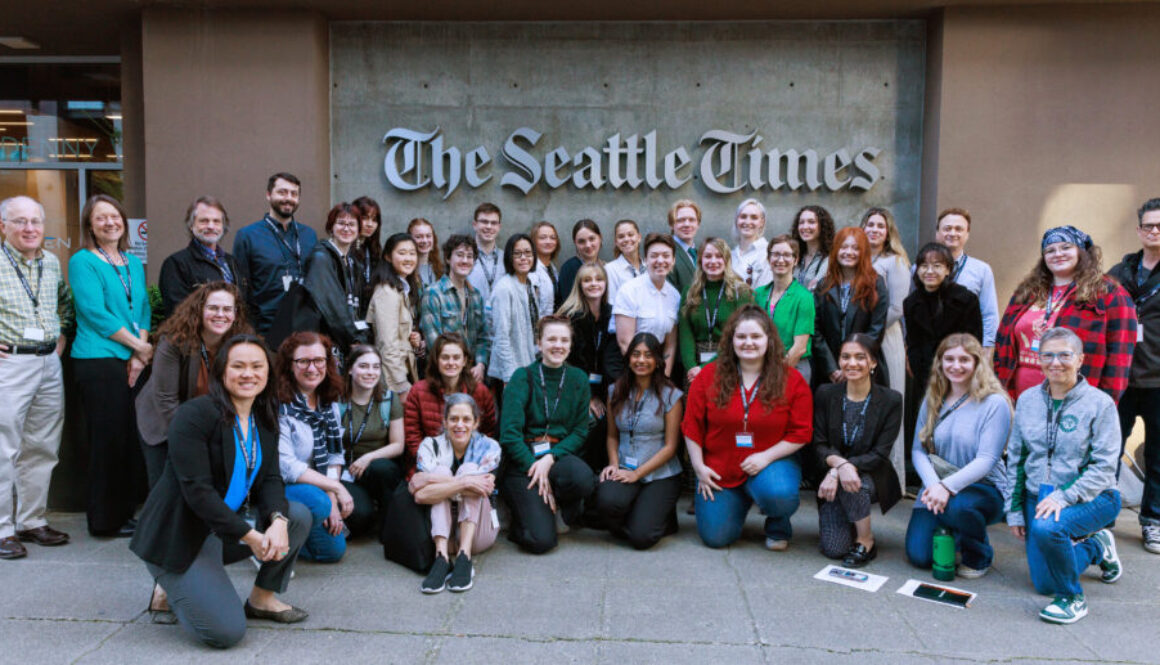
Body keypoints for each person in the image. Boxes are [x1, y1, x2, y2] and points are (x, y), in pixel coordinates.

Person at [130, 334, 310, 647]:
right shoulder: (195, 415)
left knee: (297, 515)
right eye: (238, 366)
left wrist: (278, 521)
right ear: (222, 371)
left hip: (221, 531)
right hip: (180, 535)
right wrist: (253, 537)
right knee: (225, 633)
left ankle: (261, 599)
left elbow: (270, 478)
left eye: (257, 366)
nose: (248, 373)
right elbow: (198, 492)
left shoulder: (264, 417)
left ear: (268, 373)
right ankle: (171, 582)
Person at [1003, 327, 1123, 624]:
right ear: (1039, 360)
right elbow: (1016, 458)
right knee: (1044, 583)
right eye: (1047, 355)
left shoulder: (1100, 404)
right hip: (1037, 495)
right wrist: (1014, 509)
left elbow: (1104, 466)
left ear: (1080, 359)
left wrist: (1063, 496)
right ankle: (1096, 547)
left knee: (1047, 528)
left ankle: (1072, 598)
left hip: (1094, 496)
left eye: (1064, 355)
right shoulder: (1028, 400)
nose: (1055, 362)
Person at [683, 305, 812, 549]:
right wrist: (699, 468)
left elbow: (801, 432)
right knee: (716, 538)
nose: (748, 343)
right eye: (741, 337)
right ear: (731, 340)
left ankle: (778, 522)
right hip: (720, 467)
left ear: (769, 340)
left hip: (771, 464)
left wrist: (766, 457)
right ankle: (736, 502)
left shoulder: (791, 380)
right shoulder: (708, 376)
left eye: (756, 336)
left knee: (779, 494)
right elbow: (691, 426)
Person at [70, 194, 150, 537]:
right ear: (90, 224)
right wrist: (139, 347)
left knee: (129, 440)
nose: (109, 222)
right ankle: (103, 521)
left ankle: (125, 513)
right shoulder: (82, 261)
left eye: (114, 216)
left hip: (130, 360)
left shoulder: (132, 263)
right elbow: (94, 312)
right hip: (98, 361)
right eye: (100, 218)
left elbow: (142, 307)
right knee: (106, 441)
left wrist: (138, 354)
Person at [0, 195, 74, 559]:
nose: (29, 228)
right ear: (3, 227)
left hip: (48, 364)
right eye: (19, 221)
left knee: (42, 446)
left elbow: (63, 302)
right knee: (4, 448)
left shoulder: (51, 262)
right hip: (9, 364)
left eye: (35, 222)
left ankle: (31, 521)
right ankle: (2, 530)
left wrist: (60, 335)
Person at [905, 333, 1010, 578]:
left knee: (959, 507)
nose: (956, 366)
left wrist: (947, 487)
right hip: (937, 485)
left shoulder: (995, 403)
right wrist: (933, 486)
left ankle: (979, 554)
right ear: (940, 363)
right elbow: (917, 450)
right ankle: (955, 528)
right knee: (920, 556)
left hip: (983, 489)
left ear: (976, 363)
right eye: (949, 359)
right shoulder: (934, 398)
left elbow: (987, 460)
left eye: (964, 360)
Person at [995, 225, 1136, 401]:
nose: (1058, 254)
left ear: (1081, 252)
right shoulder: (1027, 292)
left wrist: (1103, 403)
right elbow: (1002, 343)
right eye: (1050, 250)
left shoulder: (1110, 294)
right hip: (1019, 399)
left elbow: (1119, 359)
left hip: (1075, 401)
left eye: (1066, 247)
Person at [136, 282, 250, 487]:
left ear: (236, 313)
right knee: (166, 493)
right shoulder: (174, 342)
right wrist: (193, 441)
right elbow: (165, 400)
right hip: (163, 424)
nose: (220, 315)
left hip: (208, 427)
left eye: (227, 309)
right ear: (200, 309)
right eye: (213, 308)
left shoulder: (239, 344)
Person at [499, 316, 593, 553]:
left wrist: (550, 459)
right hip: (523, 462)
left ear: (570, 345)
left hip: (556, 457)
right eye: (551, 339)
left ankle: (555, 505)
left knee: (583, 478)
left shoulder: (579, 379)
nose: (558, 346)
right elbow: (510, 434)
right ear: (539, 343)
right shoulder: (522, 377)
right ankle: (520, 515)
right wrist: (535, 467)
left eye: (564, 340)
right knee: (542, 541)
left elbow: (580, 431)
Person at [810, 334, 902, 566]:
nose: (852, 363)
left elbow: (880, 454)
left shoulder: (891, 400)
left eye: (860, 357)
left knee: (853, 486)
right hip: (833, 472)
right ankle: (851, 518)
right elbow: (818, 443)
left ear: (872, 363)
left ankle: (865, 539)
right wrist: (838, 466)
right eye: (846, 357)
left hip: (871, 475)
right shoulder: (825, 393)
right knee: (834, 548)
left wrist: (841, 470)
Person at [275, 332, 361, 563]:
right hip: (281, 487)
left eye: (319, 360)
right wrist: (334, 490)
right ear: (289, 365)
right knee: (319, 503)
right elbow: (287, 467)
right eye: (303, 361)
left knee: (334, 550)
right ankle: (270, 538)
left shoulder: (328, 401)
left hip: (318, 488)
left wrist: (333, 497)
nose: (312, 368)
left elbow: (334, 454)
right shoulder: (280, 407)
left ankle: (292, 534)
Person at [594, 333, 683, 549]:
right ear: (628, 358)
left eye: (648, 355)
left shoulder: (671, 395)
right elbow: (613, 436)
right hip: (625, 466)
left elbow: (671, 447)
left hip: (660, 473)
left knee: (641, 538)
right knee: (606, 502)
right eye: (636, 354)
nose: (641, 360)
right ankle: (644, 514)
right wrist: (614, 465)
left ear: (658, 360)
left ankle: (655, 517)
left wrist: (637, 474)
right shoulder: (615, 391)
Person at [1107, 197, 1160, 553]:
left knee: (1158, 455)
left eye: (1159, 226)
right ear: (1139, 229)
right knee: (1108, 450)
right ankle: (1102, 516)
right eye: (1148, 225)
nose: (1153, 231)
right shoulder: (1120, 272)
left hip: (1158, 380)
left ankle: (1153, 521)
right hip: (1121, 378)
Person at [411, 394, 502, 593]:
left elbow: (484, 488)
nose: (459, 425)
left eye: (466, 419)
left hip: (478, 531)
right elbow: (420, 496)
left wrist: (440, 483)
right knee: (444, 471)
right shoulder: (430, 445)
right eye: (453, 419)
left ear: (476, 422)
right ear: (444, 421)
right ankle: (441, 558)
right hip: (440, 531)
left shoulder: (489, 446)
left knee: (468, 468)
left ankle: (465, 557)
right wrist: (465, 483)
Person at [902, 243, 983, 441]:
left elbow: (974, 340)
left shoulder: (966, 299)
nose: (930, 271)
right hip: (925, 374)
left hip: (959, 371)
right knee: (928, 424)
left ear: (948, 269)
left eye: (937, 265)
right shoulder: (911, 303)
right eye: (924, 266)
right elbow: (913, 341)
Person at [232, 173, 317, 335]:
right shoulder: (248, 236)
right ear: (268, 195)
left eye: (294, 194)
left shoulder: (309, 235)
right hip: (266, 330)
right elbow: (240, 288)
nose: (289, 198)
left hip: (305, 328)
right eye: (282, 192)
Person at [862, 207, 910, 491]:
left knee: (890, 403)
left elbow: (897, 307)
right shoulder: (857, 258)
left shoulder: (895, 262)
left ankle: (895, 481)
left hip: (885, 339)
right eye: (870, 225)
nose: (874, 230)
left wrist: (871, 332)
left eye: (880, 226)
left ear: (888, 231)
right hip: (862, 339)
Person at [338, 345, 406, 543]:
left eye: (376, 367)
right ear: (350, 369)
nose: (370, 372)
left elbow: (398, 445)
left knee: (383, 468)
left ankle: (389, 525)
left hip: (375, 469)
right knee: (360, 517)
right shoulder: (336, 400)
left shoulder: (388, 400)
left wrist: (368, 457)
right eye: (364, 366)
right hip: (344, 470)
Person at [812, 227, 889, 387]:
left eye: (855, 248)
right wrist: (832, 368)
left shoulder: (876, 284)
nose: (849, 252)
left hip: (864, 367)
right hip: (829, 371)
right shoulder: (824, 285)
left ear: (864, 252)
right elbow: (816, 329)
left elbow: (876, 329)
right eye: (844, 247)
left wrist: (852, 364)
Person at [558, 263, 614, 471]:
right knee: (591, 421)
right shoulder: (570, 316)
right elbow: (566, 362)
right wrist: (589, 396)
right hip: (576, 388)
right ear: (579, 285)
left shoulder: (611, 313)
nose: (594, 284)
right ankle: (582, 470)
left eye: (598, 279)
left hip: (603, 386)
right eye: (587, 280)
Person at [678, 237, 754, 385]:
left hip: (730, 359)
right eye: (707, 256)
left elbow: (740, 335)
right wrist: (692, 367)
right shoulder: (690, 292)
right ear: (700, 261)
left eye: (719, 256)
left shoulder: (741, 292)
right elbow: (685, 335)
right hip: (694, 367)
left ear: (726, 260)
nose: (713, 261)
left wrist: (705, 368)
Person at [297, 202, 370, 356]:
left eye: (351, 224)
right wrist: (353, 339)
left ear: (358, 230)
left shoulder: (354, 262)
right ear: (331, 227)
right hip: (327, 341)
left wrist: (362, 337)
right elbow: (332, 306)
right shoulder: (321, 258)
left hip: (348, 339)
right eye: (341, 223)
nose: (346, 228)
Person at [158, 196, 247, 317]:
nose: (211, 226)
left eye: (216, 221)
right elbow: (177, 312)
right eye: (204, 221)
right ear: (191, 225)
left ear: (223, 226)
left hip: (235, 334)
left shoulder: (232, 262)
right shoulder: (176, 264)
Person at [419, 234, 491, 384]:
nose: (465, 261)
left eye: (469, 256)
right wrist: (458, 367)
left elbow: (482, 337)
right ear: (447, 258)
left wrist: (480, 364)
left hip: (472, 375)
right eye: (459, 255)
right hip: (443, 376)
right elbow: (434, 343)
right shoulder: (433, 293)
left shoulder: (475, 295)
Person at [613, 233, 681, 377]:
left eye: (666, 255)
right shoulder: (630, 291)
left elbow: (670, 345)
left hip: (658, 370)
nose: (660, 260)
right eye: (654, 255)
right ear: (645, 260)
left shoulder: (675, 296)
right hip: (629, 369)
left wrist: (664, 378)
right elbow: (625, 342)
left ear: (673, 260)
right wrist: (643, 377)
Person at [933, 208, 999, 353]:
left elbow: (989, 314)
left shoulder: (982, 270)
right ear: (937, 233)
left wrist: (987, 350)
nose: (953, 233)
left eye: (959, 229)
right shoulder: (921, 269)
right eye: (947, 228)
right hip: (929, 350)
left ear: (967, 234)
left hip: (967, 351)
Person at [367, 232, 422, 400]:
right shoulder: (387, 292)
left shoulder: (401, 289)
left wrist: (412, 338)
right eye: (402, 253)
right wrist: (400, 385)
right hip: (392, 378)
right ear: (388, 257)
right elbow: (387, 343)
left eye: (412, 253)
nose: (408, 258)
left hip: (404, 370)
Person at [754, 234, 814, 383]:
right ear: (769, 259)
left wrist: (774, 375)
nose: (781, 260)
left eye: (787, 255)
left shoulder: (803, 297)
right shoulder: (759, 294)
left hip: (794, 367)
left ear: (796, 260)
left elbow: (799, 348)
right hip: (761, 367)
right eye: (776, 254)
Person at [487, 233, 541, 384]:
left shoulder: (529, 283)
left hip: (527, 365)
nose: (524, 258)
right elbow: (501, 336)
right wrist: (509, 377)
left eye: (528, 253)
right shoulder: (504, 288)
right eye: (517, 254)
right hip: (510, 373)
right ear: (509, 258)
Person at [556, 219, 603, 309]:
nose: (588, 245)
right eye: (581, 241)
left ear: (600, 238)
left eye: (592, 239)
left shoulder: (606, 267)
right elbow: (569, 306)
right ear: (575, 243)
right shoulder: (569, 268)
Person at [352, 196, 383, 318]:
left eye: (374, 220)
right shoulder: (345, 248)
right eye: (365, 218)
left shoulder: (373, 249)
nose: (370, 224)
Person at [792, 205, 834, 292]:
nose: (805, 227)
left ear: (822, 226)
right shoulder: (796, 254)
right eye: (801, 222)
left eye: (811, 222)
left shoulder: (829, 258)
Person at [467, 202, 504, 304]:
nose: (489, 226)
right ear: (475, 225)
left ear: (499, 227)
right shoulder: (464, 258)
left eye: (493, 223)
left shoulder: (506, 258)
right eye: (484, 222)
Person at [731, 198, 771, 289]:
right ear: (737, 220)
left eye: (754, 217)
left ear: (762, 222)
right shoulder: (730, 255)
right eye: (743, 216)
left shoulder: (768, 253)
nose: (747, 222)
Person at [666, 199, 702, 298]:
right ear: (671, 225)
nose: (687, 224)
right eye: (680, 220)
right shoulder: (666, 254)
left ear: (698, 224)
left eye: (692, 220)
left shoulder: (701, 254)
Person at [604, 219, 644, 305]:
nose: (626, 239)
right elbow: (612, 304)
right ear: (616, 242)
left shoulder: (648, 267)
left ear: (639, 237)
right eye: (621, 236)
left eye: (630, 234)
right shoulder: (610, 269)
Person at [530, 220, 560, 318]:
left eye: (553, 238)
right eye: (543, 238)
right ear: (533, 241)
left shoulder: (552, 268)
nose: (548, 241)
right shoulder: (531, 270)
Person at [408, 217, 443, 288]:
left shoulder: (440, 270)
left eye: (428, 236)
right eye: (418, 237)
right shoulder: (405, 270)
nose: (424, 240)